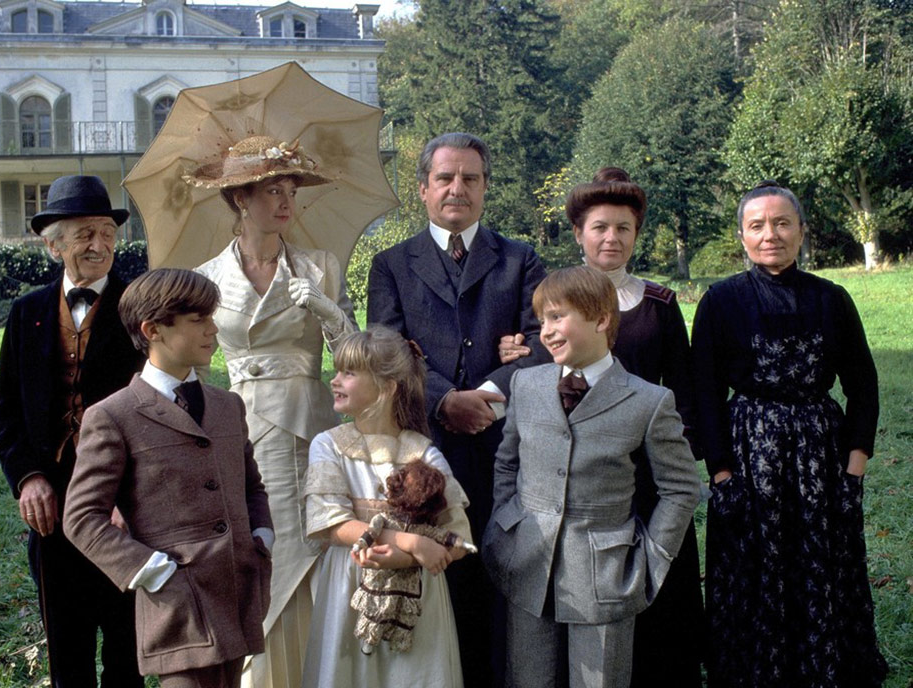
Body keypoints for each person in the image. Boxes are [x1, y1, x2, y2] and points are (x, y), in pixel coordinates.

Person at [501, 167, 703, 685]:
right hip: (536, 549)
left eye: (623, 228)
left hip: (619, 521)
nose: (611, 238)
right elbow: (509, 460)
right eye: (599, 228)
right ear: (578, 233)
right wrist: (507, 529)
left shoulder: (657, 314)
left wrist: (651, 555)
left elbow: (681, 479)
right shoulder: (540, 352)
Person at [366, 132, 548, 686]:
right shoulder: (392, 265)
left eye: (470, 178)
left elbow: (545, 341)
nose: (457, 189)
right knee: (437, 574)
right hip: (425, 450)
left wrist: (489, 394)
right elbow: (386, 352)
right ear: (422, 189)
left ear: (485, 188)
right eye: (445, 178)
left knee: (500, 573)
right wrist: (446, 398)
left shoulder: (520, 259)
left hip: (506, 449)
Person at [693, 180, 889, 688]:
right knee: (752, 570)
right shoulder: (720, 301)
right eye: (757, 225)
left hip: (820, 458)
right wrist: (721, 473)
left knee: (822, 568)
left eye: (782, 223)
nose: (770, 234)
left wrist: (853, 471)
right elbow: (705, 394)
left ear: (801, 230)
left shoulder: (833, 299)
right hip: (748, 458)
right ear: (741, 235)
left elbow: (863, 388)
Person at [187, 135, 358, 688]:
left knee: (320, 540)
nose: (285, 202)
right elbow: (194, 366)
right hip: (245, 429)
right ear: (240, 198)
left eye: (290, 191)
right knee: (264, 545)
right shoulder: (207, 277)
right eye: (270, 191)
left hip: (314, 426)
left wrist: (330, 313)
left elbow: (355, 359)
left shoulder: (320, 266)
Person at [64, 268, 274, 688]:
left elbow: (252, 484)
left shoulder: (227, 405)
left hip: (237, 596)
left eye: (212, 318)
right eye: (198, 320)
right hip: (176, 609)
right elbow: (82, 518)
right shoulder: (114, 415)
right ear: (152, 329)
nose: (213, 329)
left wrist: (261, 538)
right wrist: (151, 570)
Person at [0, 174, 145, 687]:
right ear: (53, 244)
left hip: (124, 510)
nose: (99, 245)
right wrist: (28, 477)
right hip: (51, 509)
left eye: (107, 232)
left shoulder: (138, 309)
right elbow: (4, 409)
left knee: (127, 652)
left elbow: (160, 408)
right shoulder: (27, 312)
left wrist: (128, 494)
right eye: (83, 234)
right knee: (67, 655)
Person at [301, 327, 472, 688]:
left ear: (388, 385)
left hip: (416, 598)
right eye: (337, 370)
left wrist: (410, 559)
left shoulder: (423, 454)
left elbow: (459, 535)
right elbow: (330, 523)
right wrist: (410, 543)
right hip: (348, 586)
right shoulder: (329, 446)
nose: (335, 381)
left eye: (349, 372)